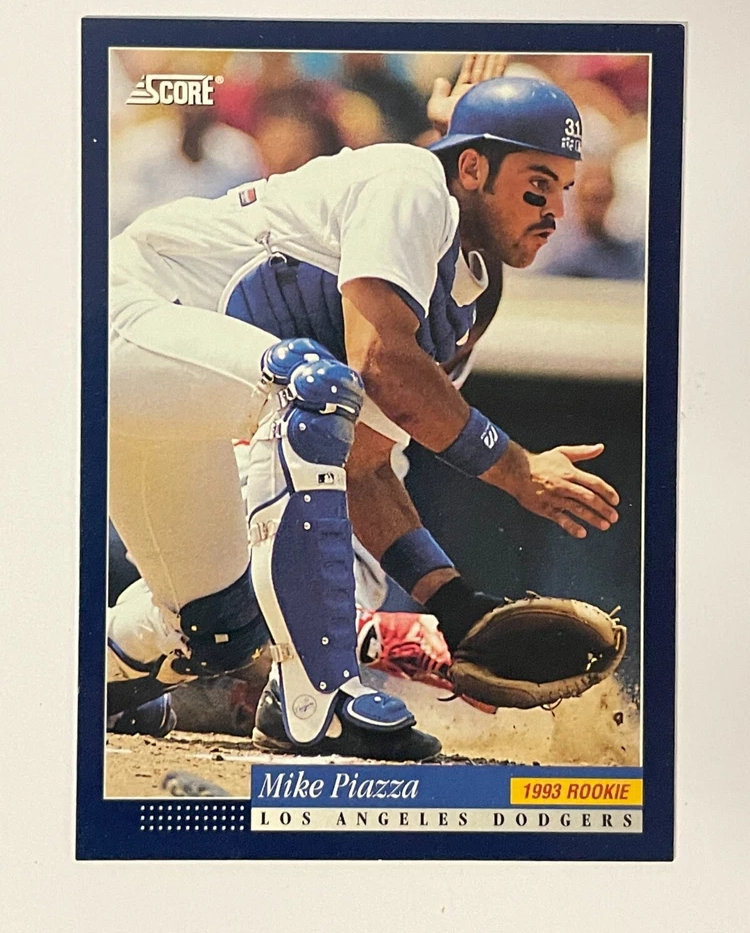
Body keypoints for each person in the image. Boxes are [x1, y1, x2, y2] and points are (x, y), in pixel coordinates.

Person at [106, 61, 620, 762]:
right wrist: (517, 469)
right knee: (311, 392)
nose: (555, 210)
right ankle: (319, 702)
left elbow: (363, 467)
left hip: (192, 412)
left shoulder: (462, 293)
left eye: (563, 189)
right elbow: (382, 363)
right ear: (472, 168)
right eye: (538, 184)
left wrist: (455, 605)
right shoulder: (413, 181)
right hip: (129, 323)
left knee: (219, 627)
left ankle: (75, 683)